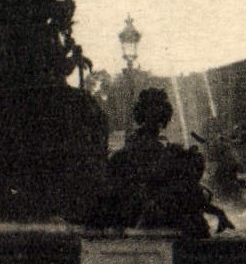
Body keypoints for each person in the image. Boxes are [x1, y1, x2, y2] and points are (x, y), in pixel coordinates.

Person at [91, 88, 233, 236]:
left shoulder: (128, 152)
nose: (156, 118)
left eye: (157, 113)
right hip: (149, 215)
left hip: (136, 215)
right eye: (154, 113)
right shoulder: (167, 153)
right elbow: (187, 190)